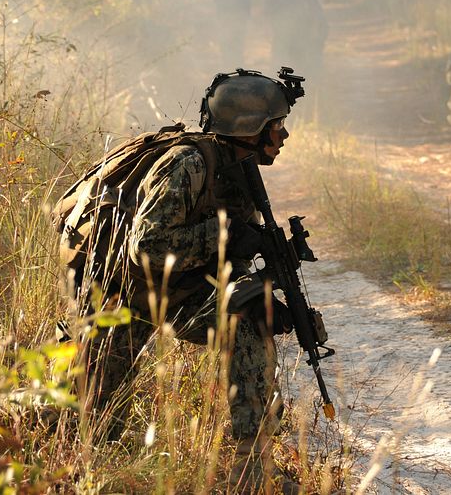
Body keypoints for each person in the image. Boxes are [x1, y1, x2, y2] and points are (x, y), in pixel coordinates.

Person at [57, 70, 306, 493]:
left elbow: (222, 260)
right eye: (275, 125)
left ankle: (252, 468)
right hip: (124, 292)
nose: (282, 135)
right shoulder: (187, 164)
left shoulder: (241, 168)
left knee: (250, 320)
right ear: (247, 128)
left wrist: (260, 283)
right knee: (87, 425)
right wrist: (223, 233)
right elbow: (147, 249)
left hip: (182, 292)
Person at [263, 0, 328, 107]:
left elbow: (314, 3)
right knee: (280, 62)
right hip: (283, 28)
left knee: (300, 61)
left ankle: (300, 99)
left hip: (302, 29)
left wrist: (318, 24)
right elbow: (269, 3)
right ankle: (277, 98)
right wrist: (269, 25)